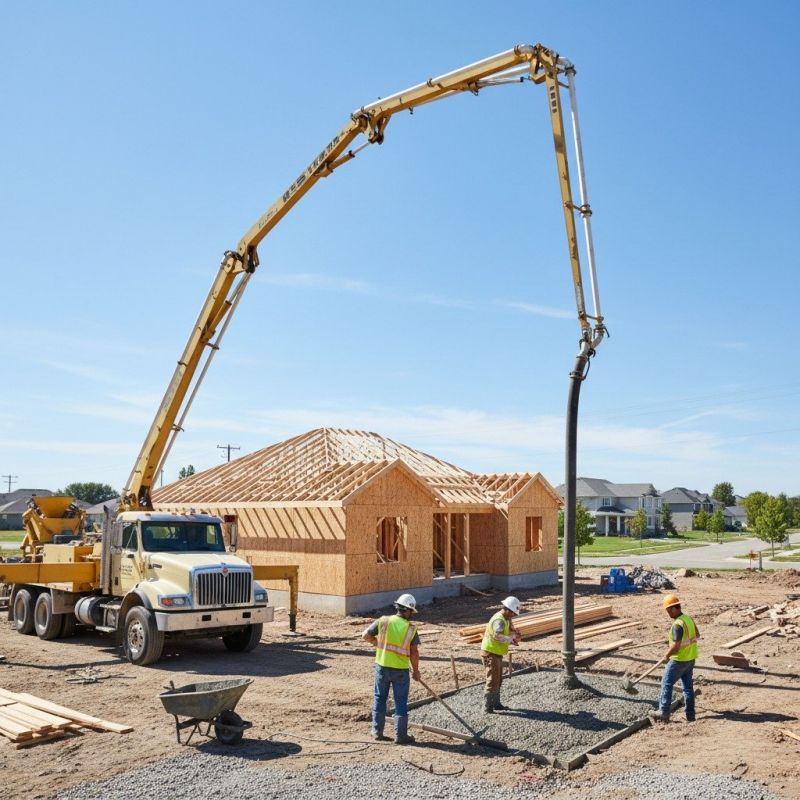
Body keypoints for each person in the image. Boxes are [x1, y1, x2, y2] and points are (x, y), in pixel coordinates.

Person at [362, 593, 421, 744]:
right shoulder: (411, 628)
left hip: (382, 667)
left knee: (379, 698)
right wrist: (416, 671)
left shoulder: (383, 621)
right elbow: (414, 652)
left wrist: (378, 644)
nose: (411, 615)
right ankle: (401, 736)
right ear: (407, 610)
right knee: (400, 702)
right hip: (400, 671)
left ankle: (377, 731)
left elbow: (365, 635)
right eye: (411, 612)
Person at [652, 593, 699, 722]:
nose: (668, 613)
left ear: (674, 608)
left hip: (679, 660)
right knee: (688, 688)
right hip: (690, 659)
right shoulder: (687, 618)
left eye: (668, 610)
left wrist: (667, 655)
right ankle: (690, 715)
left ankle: (663, 712)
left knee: (666, 683)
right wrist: (678, 641)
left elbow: (677, 645)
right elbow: (697, 635)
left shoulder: (677, 624)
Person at [480, 596, 521, 713]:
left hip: (496, 652)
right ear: (507, 609)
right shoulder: (499, 620)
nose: (513, 615)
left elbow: (510, 630)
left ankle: (496, 704)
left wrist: (515, 633)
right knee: (492, 679)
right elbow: (497, 636)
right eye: (513, 613)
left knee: (498, 679)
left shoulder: (506, 619)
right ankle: (487, 707)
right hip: (490, 652)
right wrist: (510, 640)